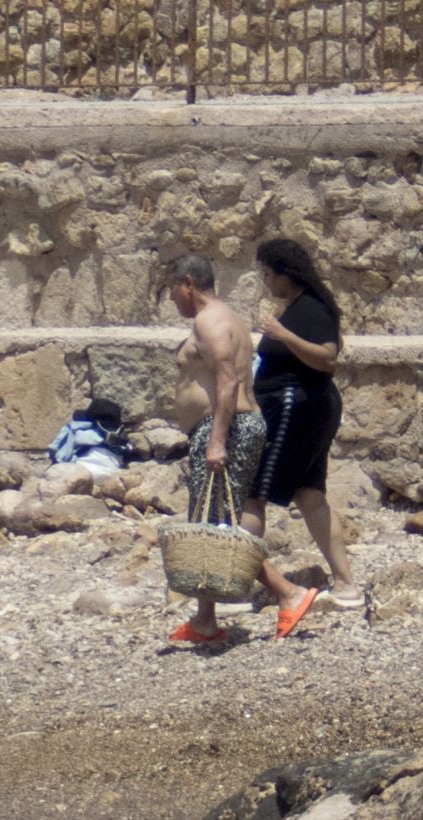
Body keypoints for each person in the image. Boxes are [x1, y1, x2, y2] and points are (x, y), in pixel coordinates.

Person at [242, 237, 363, 638]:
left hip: (296, 407)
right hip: (305, 408)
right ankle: (346, 584)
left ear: (285, 274)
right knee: (309, 495)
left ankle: (236, 578)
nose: (265, 282)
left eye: (267, 274)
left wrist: (281, 333)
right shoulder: (304, 308)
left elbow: (327, 357)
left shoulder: (308, 310)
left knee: (254, 492)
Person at [160, 252, 265, 645]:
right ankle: (204, 620)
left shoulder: (210, 320)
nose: (172, 301)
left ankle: (288, 592)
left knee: (216, 522)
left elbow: (228, 382)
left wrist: (217, 440)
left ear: (188, 283)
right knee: (216, 519)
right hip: (227, 426)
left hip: (226, 427)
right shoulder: (223, 316)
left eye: (173, 292)